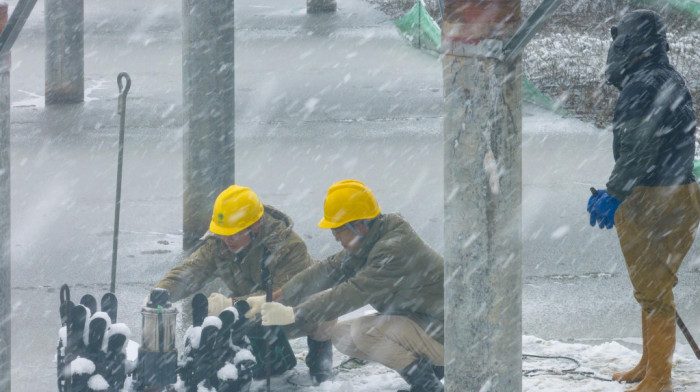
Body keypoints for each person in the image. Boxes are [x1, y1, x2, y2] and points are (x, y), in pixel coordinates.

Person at [588, 9, 700, 392]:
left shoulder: (639, 85)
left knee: (652, 290)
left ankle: (658, 378)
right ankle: (649, 363)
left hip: (650, 197)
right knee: (655, 288)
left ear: (628, 45)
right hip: (684, 193)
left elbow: (638, 148)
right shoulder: (669, 77)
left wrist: (614, 194)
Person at [256, 180, 445, 392]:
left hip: (447, 333)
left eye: (338, 230)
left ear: (360, 225)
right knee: (342, 334)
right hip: (424, 321)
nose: (335, 238)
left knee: (364, 332)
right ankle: (430, 369)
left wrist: (295, 313)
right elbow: (328, 269)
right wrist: (283, 292)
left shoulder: (393, 249)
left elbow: (352, 293)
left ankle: (427, 385)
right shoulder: (371, 238)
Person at [152, 184, 336, 383]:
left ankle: (320, 364)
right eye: (223, 233)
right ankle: (247, 364)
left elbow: (281, 294)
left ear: (256, 226)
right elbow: (189, 272)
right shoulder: (219, 242)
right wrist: (160, 293)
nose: (227, 240)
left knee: (324, 299)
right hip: (250, 312)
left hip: (293, 312)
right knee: (216, 322)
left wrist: (231, 305)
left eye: (235, 233)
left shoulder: (290, 246)